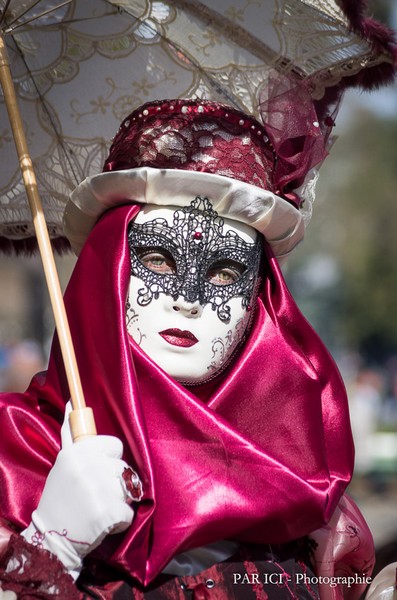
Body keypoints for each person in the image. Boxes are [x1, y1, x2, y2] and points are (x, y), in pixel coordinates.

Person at [0, 97, 378, 599]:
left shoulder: (299, 485)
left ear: (260, 303)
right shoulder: (16, 457)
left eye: (224, 272)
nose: (189, 301)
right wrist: (52, 546)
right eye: (158, 260)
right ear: (105, 272)